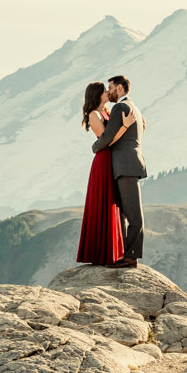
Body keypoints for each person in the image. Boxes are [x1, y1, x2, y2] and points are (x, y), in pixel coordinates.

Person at [91, 74, 147, 267]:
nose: (109, 91)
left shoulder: (120, 108)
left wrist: (95, 147)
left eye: (111, 87)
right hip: (127, 164)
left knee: (132, 214)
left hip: (125, 165)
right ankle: (124, 254)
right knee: (124, 213)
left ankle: (130, 256)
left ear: (120, 89)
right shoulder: (134, 108)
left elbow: (108, 137)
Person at [74, 81, 124, 265]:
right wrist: (125, 127)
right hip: (103, 161)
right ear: (97, 94)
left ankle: (111, 252)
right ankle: (100, 254)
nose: (107, 92)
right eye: (104, 90)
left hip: (112, 160)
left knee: (112, 203)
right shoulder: (94, 115)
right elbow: (106, 139)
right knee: (103, 202)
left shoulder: (107, 112)